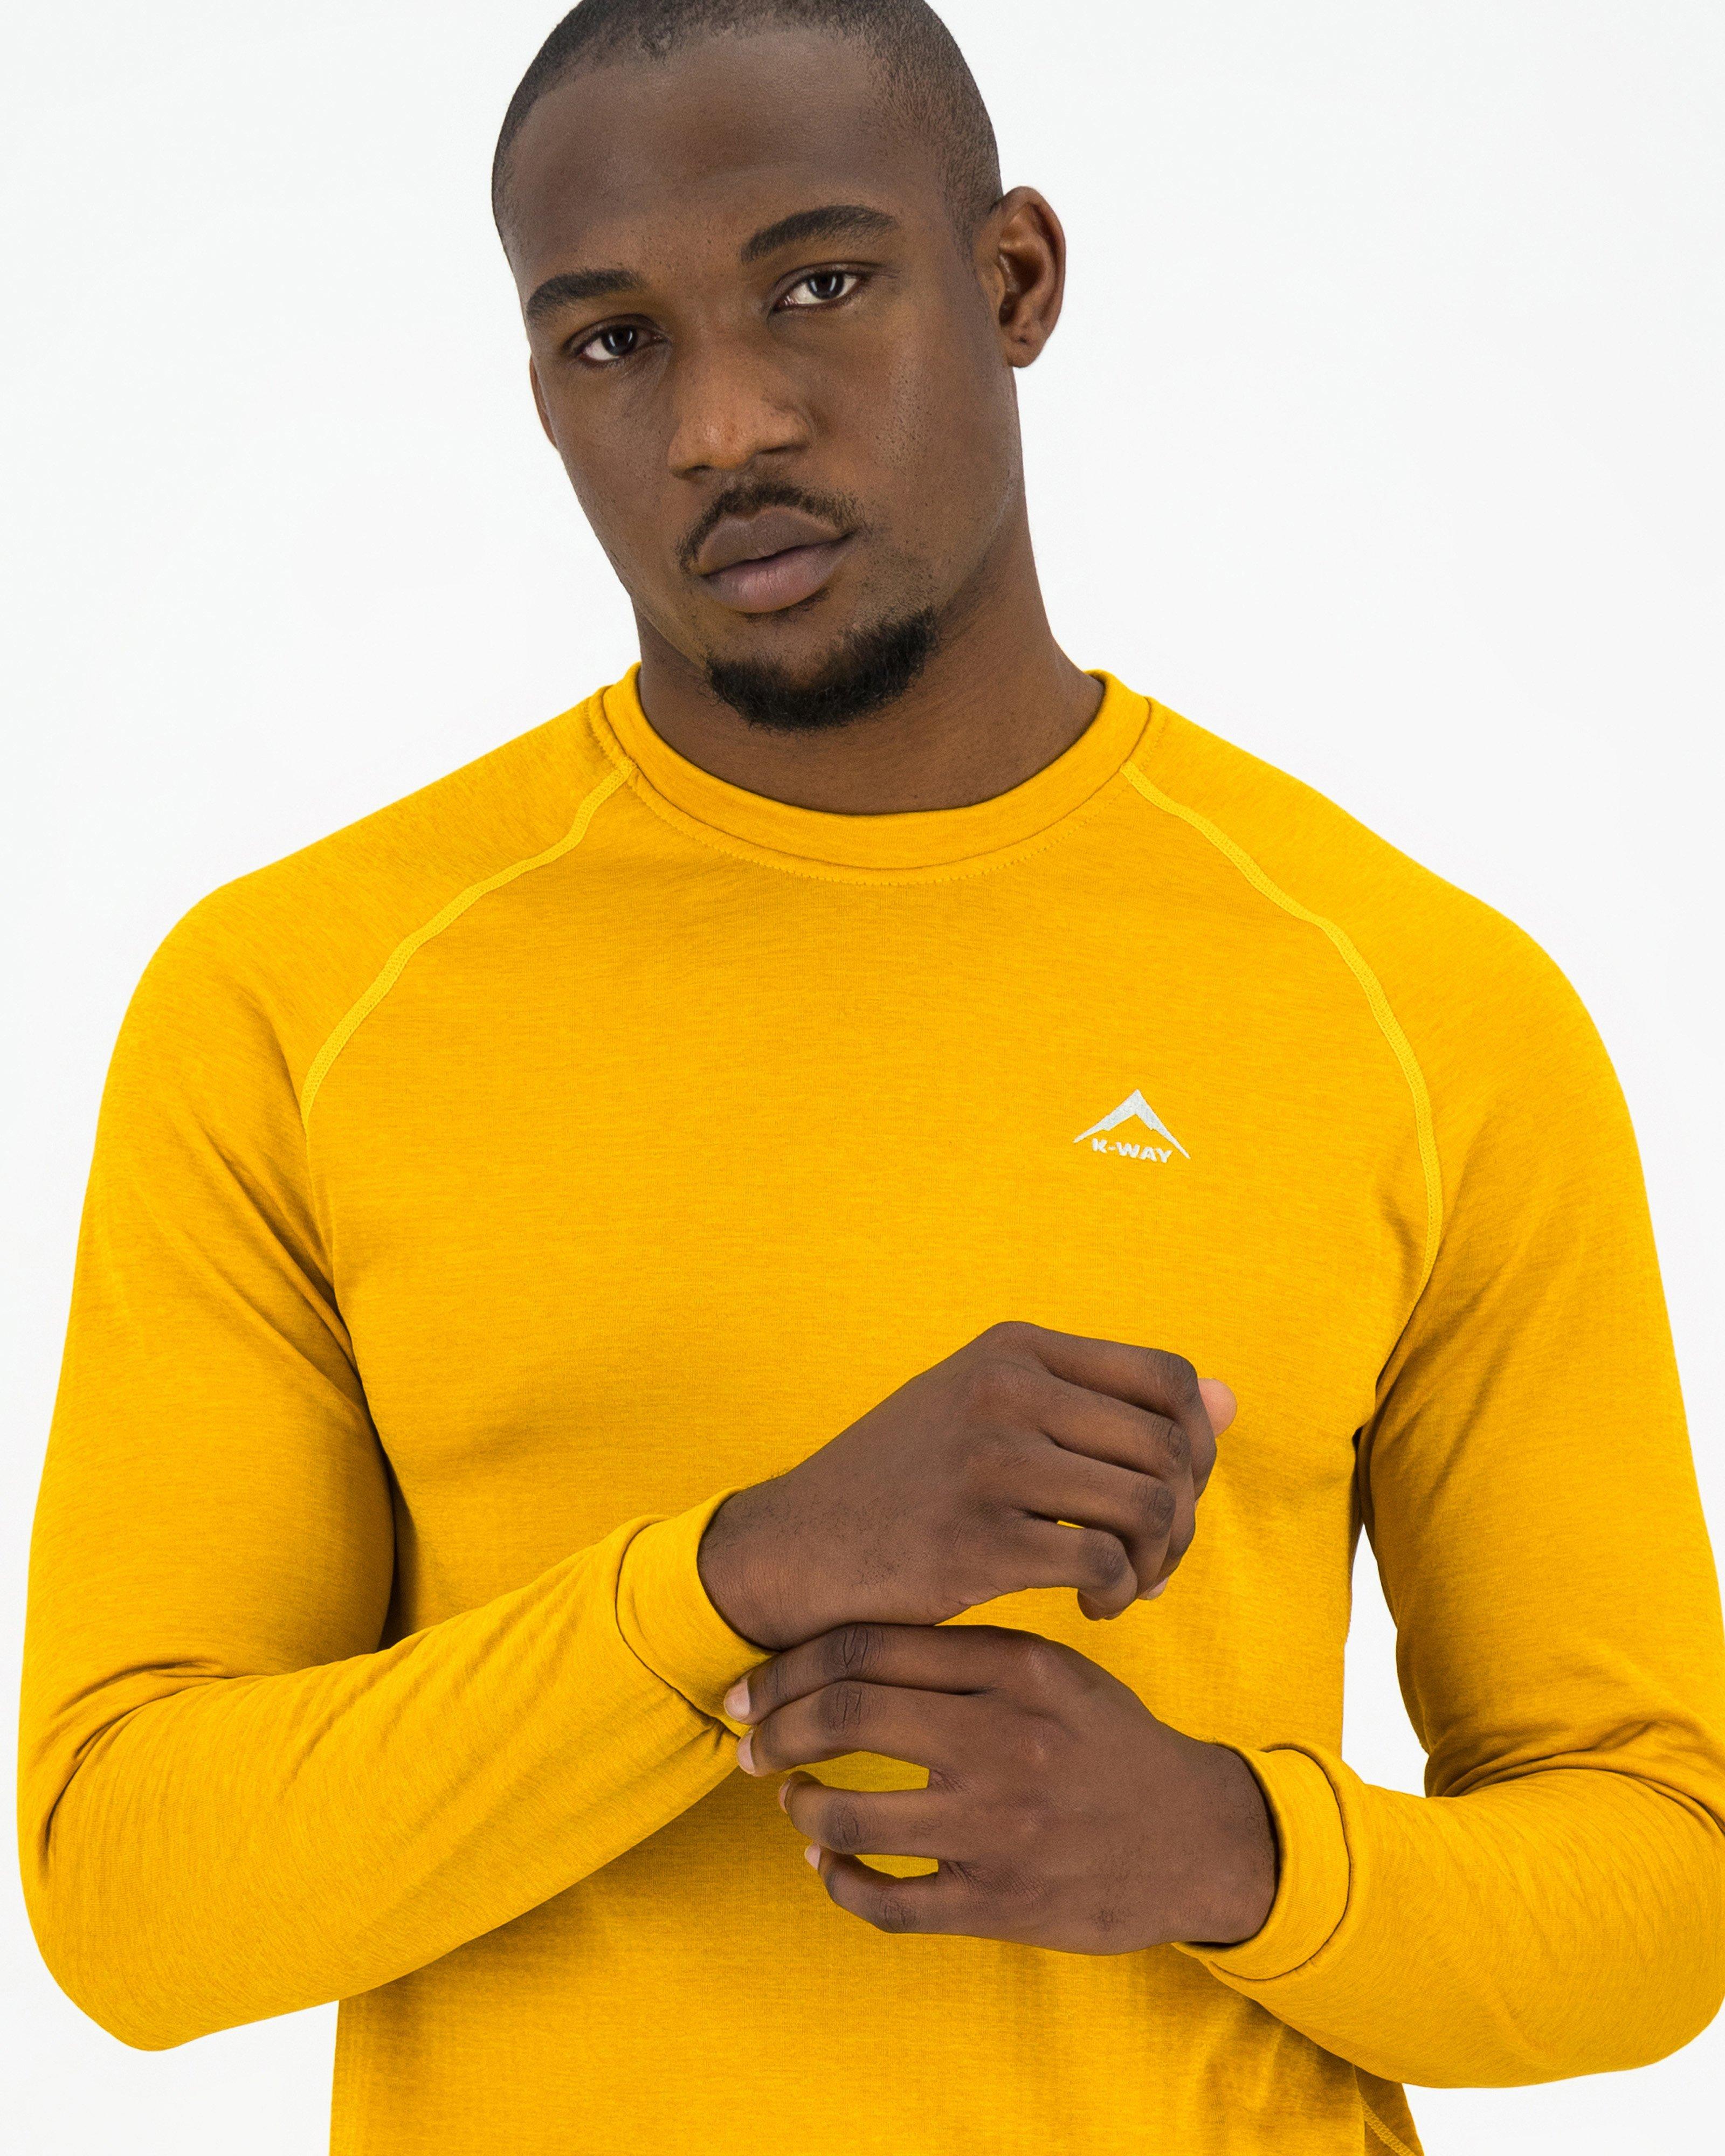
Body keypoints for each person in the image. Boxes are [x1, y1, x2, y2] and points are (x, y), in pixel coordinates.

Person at [18, 3, 1725, 2152]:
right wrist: (737, 1580)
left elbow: (1662, 1892)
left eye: (818, 285)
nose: (723, 421)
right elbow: (130, 1899)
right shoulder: (298, 999)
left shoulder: (1417, 1001)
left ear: (1012, 279)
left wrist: (1229, 1852)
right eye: (611, 341)